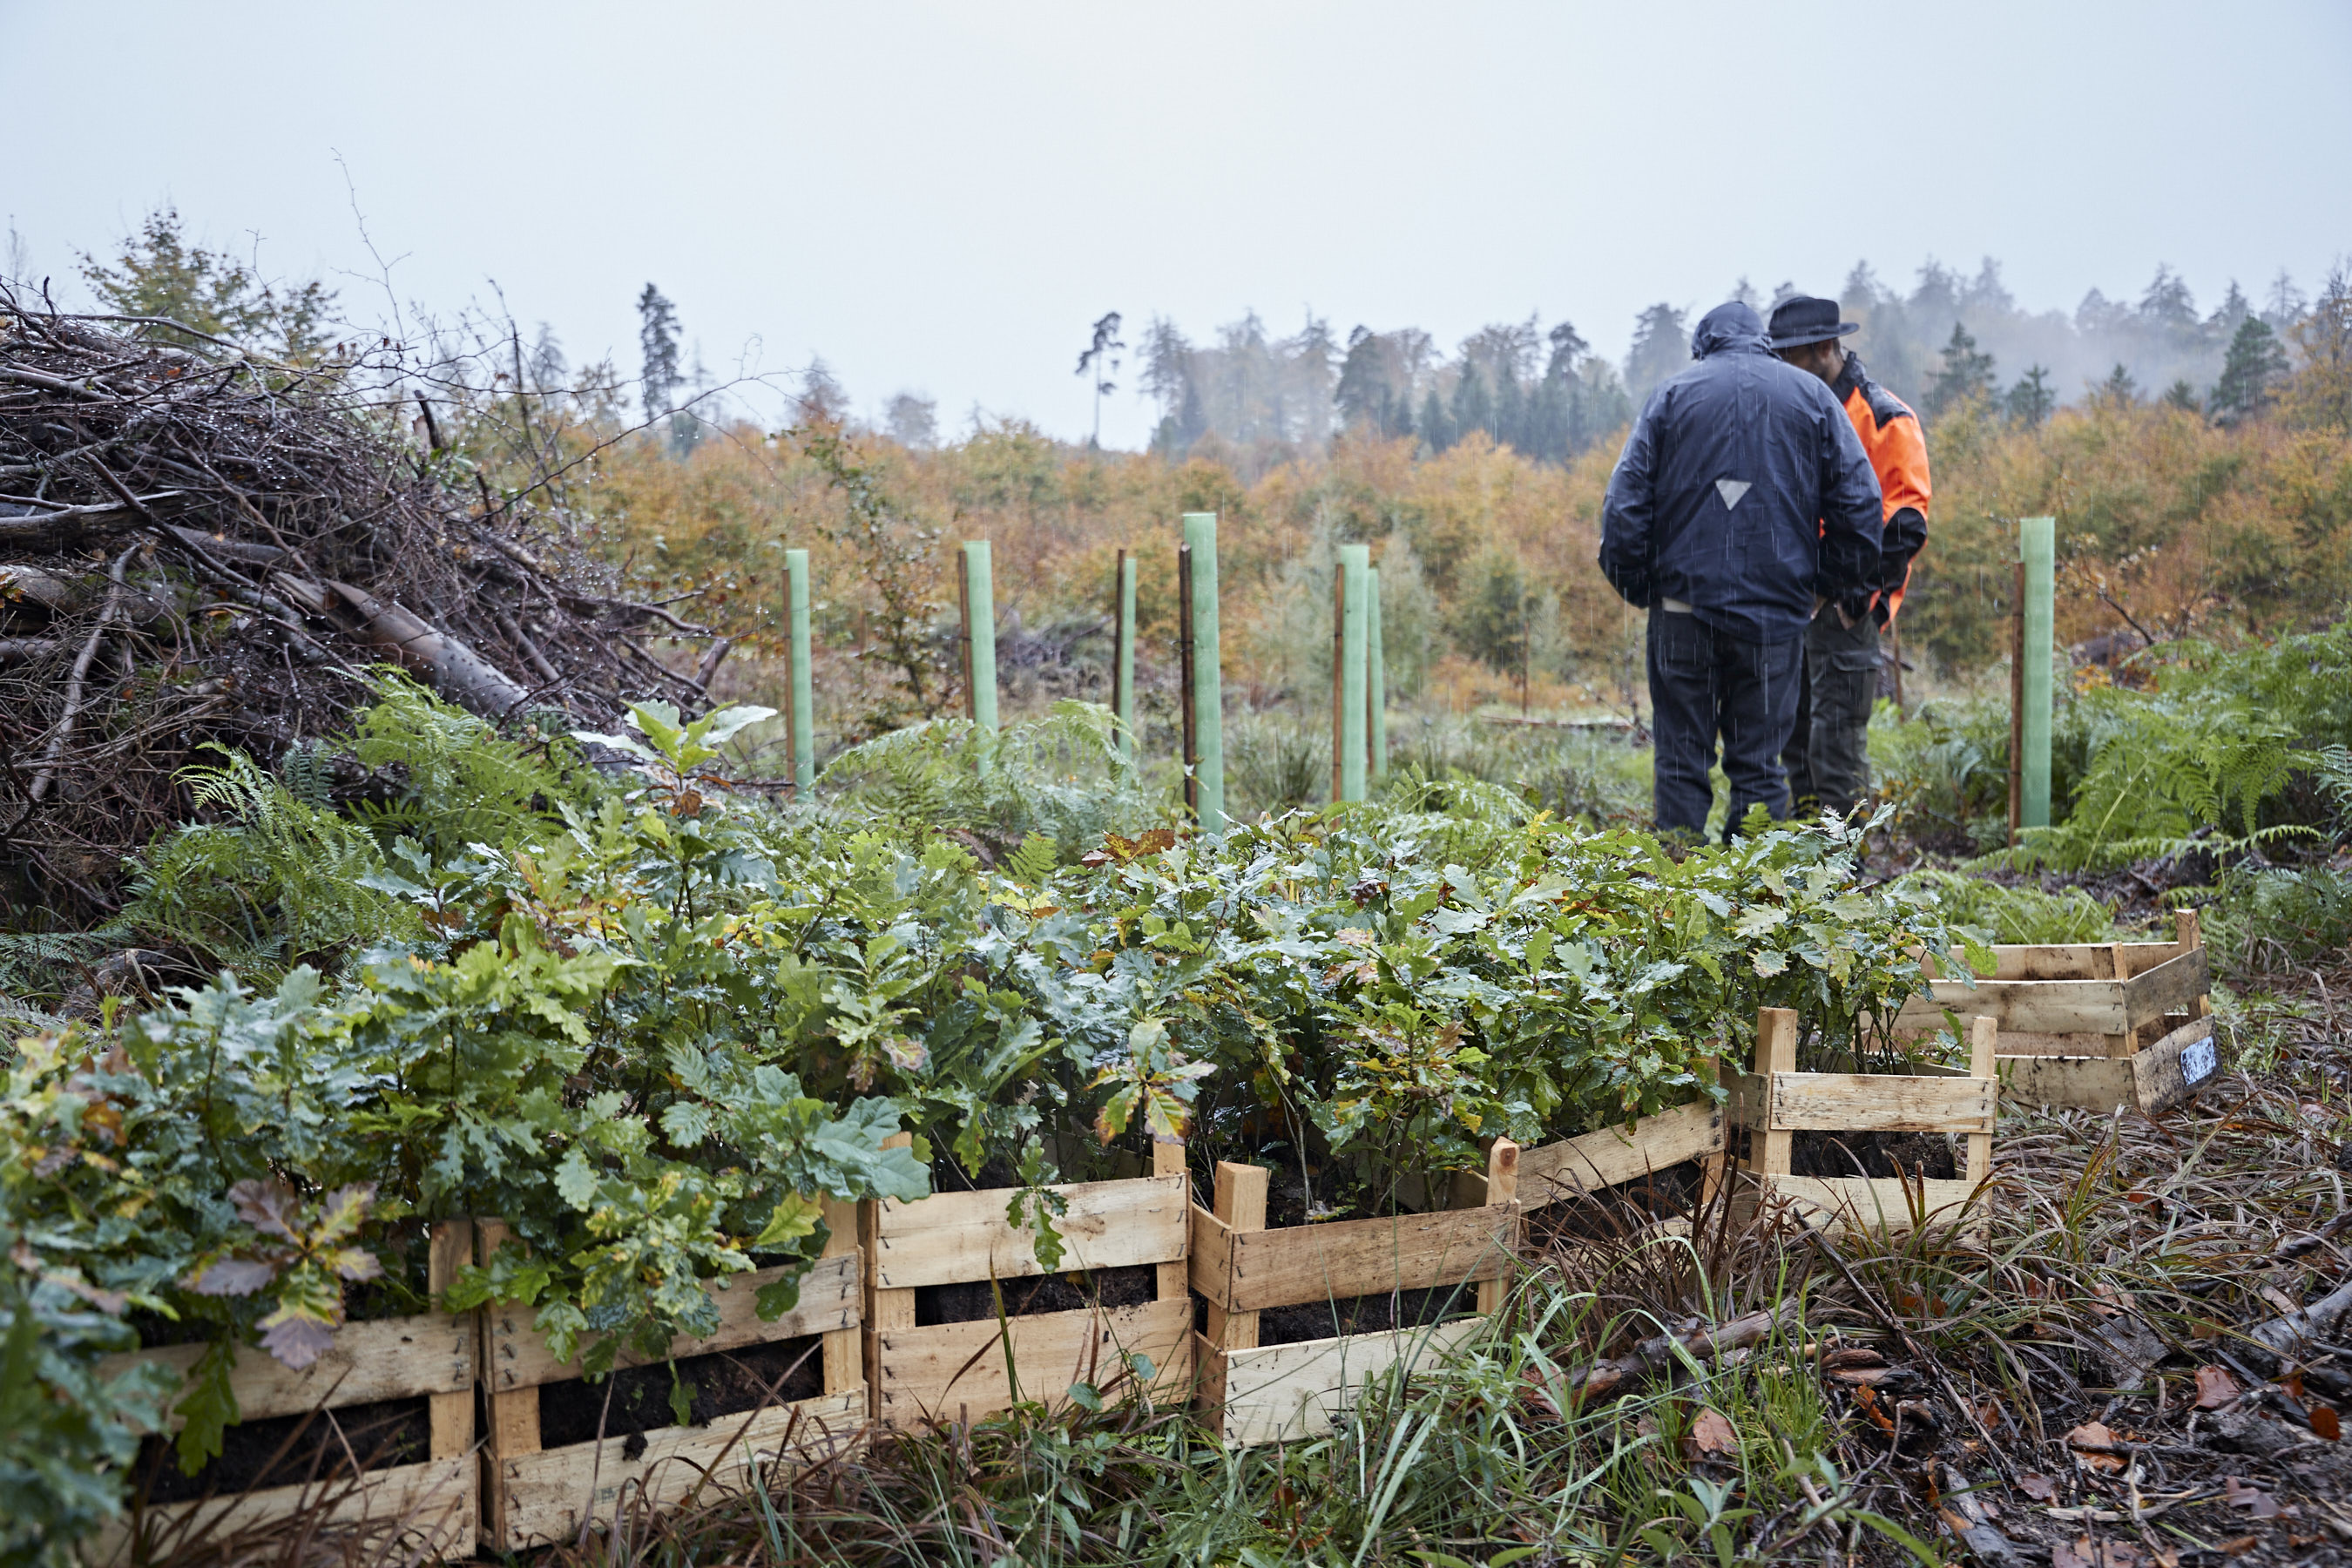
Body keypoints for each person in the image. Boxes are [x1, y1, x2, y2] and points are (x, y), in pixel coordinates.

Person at [1598, 301, 1882, 841]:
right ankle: (1754, 886)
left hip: (1682, 613)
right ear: (1764, 343)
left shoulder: (1672, 396)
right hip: (1774, 620)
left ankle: (1677, 881)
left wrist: (1644, 588)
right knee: (1760, 765)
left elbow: (1623, 510)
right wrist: (1823, 586)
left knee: (1681, 760)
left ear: (1704, 346)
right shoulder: (1813, 397)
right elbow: (1862, 506)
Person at [1766, 294, 1933, 819]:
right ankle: (1802, 854)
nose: (1780, 365)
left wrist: (1860, 597)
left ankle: (1844, 861)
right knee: (1793, 737)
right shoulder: (1788, 409)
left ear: (1823, 348)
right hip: (1792, 600)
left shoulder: (1884, 417)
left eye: (1789, 354)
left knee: (1836, 744)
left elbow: (1905, 521)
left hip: (1845, 606)